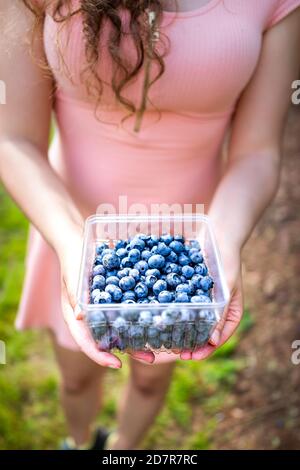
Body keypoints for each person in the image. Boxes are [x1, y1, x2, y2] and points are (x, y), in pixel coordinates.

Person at [0, 0, 299, 450]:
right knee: (77, 377)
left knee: (150, 381)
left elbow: (258, 151)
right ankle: (79, 443)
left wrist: (222, 240)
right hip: (72, 230)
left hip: (192, 241)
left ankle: (124, 450)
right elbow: (13, 138)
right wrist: (72, 243)